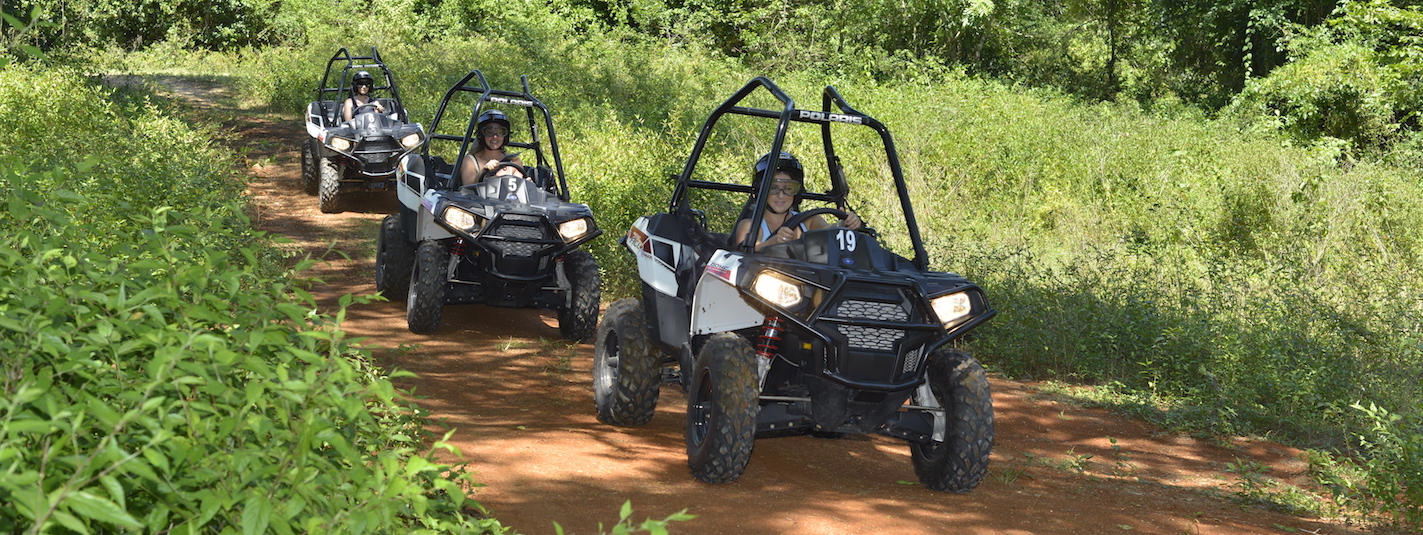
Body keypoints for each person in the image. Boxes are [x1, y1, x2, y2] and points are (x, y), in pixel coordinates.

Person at [732, 151, 862, 252]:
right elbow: (748, 250)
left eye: (789, 188)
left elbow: (826, 231)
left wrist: (843, 225)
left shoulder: (808, 221)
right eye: (773, 188)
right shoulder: (750, 225)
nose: (781, 195)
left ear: (797, 192)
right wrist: (773, 242)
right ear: (761, 191)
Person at [460, 109, 526, 186]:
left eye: (500, 133)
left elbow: (519, 190)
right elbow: (467, 190)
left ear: (505, 136)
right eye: (489, 133)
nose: (495, 137)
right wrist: (483, 171)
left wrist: (527, 184)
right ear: (482, 135)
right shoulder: (470, 161)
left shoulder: (514, 162)